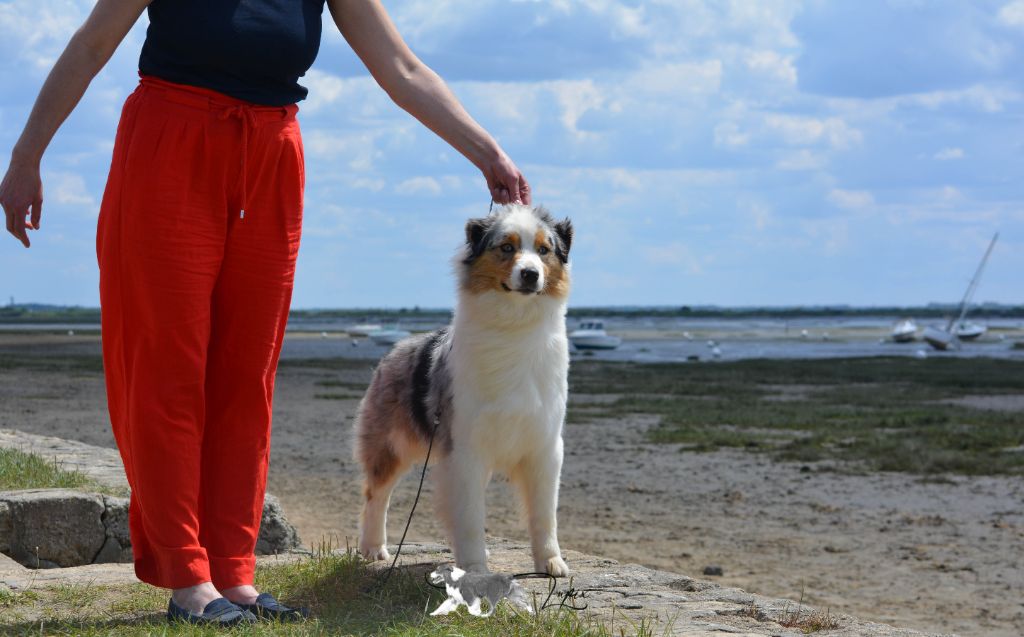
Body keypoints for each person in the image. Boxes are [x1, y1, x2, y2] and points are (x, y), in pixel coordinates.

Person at [0, 0, 531, 626]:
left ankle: (234, 571)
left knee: (246, 379)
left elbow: (401, 68)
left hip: (273, 155)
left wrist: (487, 151)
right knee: (166, 371)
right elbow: (91, 46)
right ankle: (187, 576)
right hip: (169, 145)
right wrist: (26, 156)